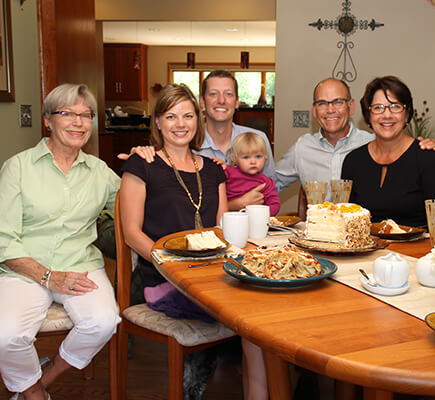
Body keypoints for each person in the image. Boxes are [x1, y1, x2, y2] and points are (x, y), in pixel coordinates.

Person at [119, 84, 267, 399]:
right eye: (170, 116)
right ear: (157, 122)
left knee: (263, 308)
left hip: (214, 276)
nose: (180, 123)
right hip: (165, 280)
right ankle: (195, 389)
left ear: (198, 121)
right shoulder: (141, 165)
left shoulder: (214, 171)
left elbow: (221, 229)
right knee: (252, 319)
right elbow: (132, 232)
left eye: (188, 115)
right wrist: (170, 264)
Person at [0, 84, 121, 400]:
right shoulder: (18, 168)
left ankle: (44, 377)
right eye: (68, 113)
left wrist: (145, 164)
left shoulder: (100, 172)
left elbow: (134, 203)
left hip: (80, 264)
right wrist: (49, 277)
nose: (79, 123)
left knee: (104, 321)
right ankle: (35, 395)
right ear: (47, 120)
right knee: (5, 334)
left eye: (86, 115)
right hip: (24, 267)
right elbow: (4, 239)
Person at [121, 70, 275, 211]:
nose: (221, 100)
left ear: (237, 102)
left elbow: (270, 188)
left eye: (228, 94)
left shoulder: (257, 139)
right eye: (213, 94)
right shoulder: (184, 141)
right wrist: (140, 155)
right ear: (202, 102)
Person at [275, 77, 435, 201]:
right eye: (323, 103)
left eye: (338, 102)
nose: (330, 110)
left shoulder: (372, 142)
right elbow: (270, 184)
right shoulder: (304, 148)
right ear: (314, 110)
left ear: (351, 106)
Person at [341, 76, 435, 226]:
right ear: (369, 115)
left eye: (395, 106)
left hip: (416, 248)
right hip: (365, 248)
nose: (387, 115)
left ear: (406, 114)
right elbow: (347, 219)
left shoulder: (428, 158)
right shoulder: (353, 161)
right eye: (378, 107)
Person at [226, 131, 280, 216]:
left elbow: (275, 204)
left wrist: (262, 216)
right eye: (246, 157)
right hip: (231, 220)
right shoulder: (228, 173)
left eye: (258, 156)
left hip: (255, 221)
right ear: (234, 159)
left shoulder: (266, 182)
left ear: (265, 157)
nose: (253, 161)